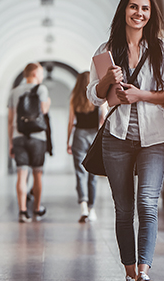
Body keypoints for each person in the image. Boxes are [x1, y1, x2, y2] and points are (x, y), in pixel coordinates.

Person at [87, 0, 164, 281]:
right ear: (123, 11)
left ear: (151, 15)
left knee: (147, 203)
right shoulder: (106, 50)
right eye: (133, 7)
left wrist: (141, 95)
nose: (139, 13)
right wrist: (107, 81)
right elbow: (95, 96)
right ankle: (130, 272)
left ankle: (144, 269)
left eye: (145, 9)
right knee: (124, 209)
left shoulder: (161, 49)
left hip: (154, 138)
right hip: (116, 137)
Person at [8, 62, 51, 223]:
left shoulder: (14, 92)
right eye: (40, 73)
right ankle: (37, 209)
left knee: (21, 174)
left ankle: (22, 211)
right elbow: (44, 110)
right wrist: (48, 102)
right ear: (34, 74)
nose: (42, 77)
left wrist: (11, 143)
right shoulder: (41, 89)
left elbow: (10, 119)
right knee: (37, 173)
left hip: (18, 136)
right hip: (37, 137)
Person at [66, 71, 103, 223]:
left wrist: (68, 141)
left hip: (79, 136)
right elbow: (103, 120)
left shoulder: (74, 98)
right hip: (94, 136)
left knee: (80, 173)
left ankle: (83, 207)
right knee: (93, 175)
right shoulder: (97, 98)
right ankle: (92, 209)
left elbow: (70, 122)